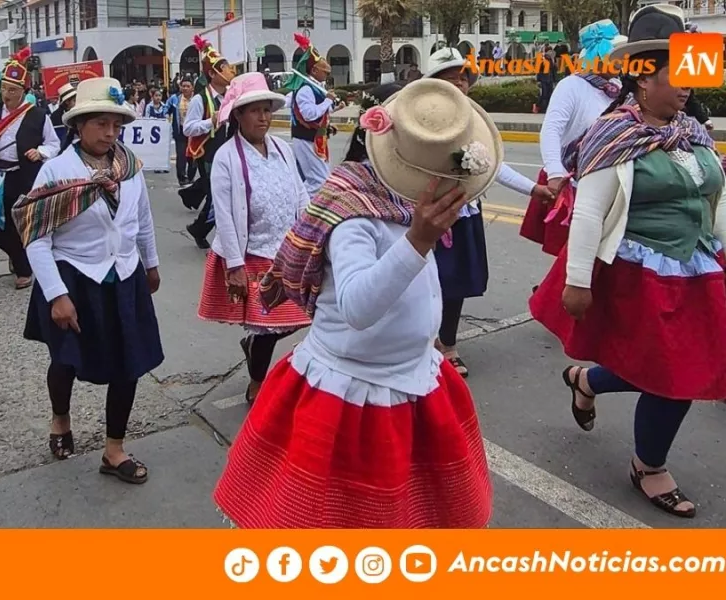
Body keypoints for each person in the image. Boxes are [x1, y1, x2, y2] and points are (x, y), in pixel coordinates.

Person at [214, 79, 499, 528]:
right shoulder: (356, 215)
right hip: (353, 393)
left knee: (418, 513)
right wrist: (418, 241)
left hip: (416, 380)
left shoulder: (401, 207)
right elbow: (358, 307)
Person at [531, 4, 726, 519]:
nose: (687, 84)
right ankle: (649, 465)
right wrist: (577, 282)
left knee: (672, 364)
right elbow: (590, 211)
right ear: (642, 79)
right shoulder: (613, 132)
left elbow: (712, 201)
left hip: (697, 270)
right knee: (674, 371)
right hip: (640, 274)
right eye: (676, 73)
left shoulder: (693, 132)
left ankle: (587, 381)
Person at [13, 77, 162, 484]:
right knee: (65, 361)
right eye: (100, 123)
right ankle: (61, 419)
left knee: (128, 365)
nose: (110, 132)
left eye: (115, 124)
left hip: (124, 276)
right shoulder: (56, 172)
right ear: (78, 126)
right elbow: (36, 238)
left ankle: (113, 450)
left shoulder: (129, 166)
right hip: (75, 278)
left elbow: (141, 219)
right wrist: (56, 295)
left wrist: (150, 264)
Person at [422, 47, 552, 377]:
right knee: (425, 282)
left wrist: (533, 190)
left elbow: (492, 163)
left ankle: (448, 345)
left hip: (464, 212)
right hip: (428, 214)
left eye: (462, 78)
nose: (459, 84)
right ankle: (422, 343)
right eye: (450, 78)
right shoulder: (420, 117)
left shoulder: (476, 119)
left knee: (458, 281)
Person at [198, 73, 311, 404]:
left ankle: (253, 349)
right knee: (267, 325)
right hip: (253, 253)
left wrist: (311, 237)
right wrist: (234, 264)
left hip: (285, 251)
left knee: (299, 316)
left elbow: (299, 193)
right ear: (238, 115)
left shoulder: (283, 149)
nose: (263, 117)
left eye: (266, 110)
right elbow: (225, 215)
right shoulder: (227, 158)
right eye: (254, 110)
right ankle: (258, 382)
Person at [521, 20, 624, 257]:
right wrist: (555, 172)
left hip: (610, 186)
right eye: (613, 54)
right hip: (578, 186)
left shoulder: (618, 87)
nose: (620, 60)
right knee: (573, 262)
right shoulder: (571, 86)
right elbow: (551, 130)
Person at [0, 48, 62, 290]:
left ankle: (24, 268)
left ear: (24, 91)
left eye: (12, 90)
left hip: (26, 177)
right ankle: (17, 255)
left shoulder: (37, 115)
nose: (7, 94)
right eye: (4, 88)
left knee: (24, 223)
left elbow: (53, 143)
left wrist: (40, 152)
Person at [181, 35, 236, 249]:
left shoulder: (230, 97)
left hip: (226, 151)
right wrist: (209, 122)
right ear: (213, 73)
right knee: (217, 197)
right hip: (207, 155)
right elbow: (188, 128)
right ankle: (205, 232)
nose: (231, 70)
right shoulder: (199, 99)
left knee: (222, 195)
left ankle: (200, 227)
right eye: (225, 67)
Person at [286, 33, 339, 197]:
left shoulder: (315, 87)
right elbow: (309, 114)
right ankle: (301, 211)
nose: (326, 75)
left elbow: (319, 114)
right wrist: (328, 101)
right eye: (325, 72)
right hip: (305, 139)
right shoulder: (305, 89)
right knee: (318, 182)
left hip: (316, 140)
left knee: (321, 180)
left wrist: (331, 112)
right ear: (314, 70)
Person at [168, 77, 197, 186]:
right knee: (181, 155)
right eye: (183, 86)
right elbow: (166, 109)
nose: (185, 88)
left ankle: (191, 176)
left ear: (192, 88)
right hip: (180, 132)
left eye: (188, 86)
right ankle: (181, 178)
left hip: (194, 133)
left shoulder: (197, 99)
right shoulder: (175, 99)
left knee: (193, 156)